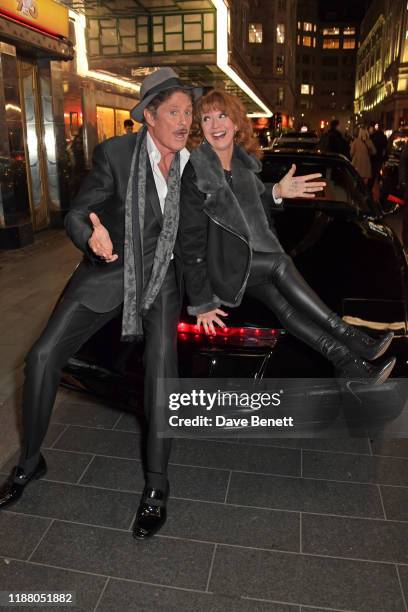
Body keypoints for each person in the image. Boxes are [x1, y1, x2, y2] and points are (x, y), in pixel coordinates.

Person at [0, 68, 201, 540]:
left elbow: (230, 206)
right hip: (108, 272)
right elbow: (76, 211)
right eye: (174, 111)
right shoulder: (116, 154)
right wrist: (90, 234)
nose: (184, 120)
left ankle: (156, 487)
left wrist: (275, 193)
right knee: (42, 358)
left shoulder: (197, 164)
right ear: (149, 116)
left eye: (188, 112)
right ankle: (30, 462)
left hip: (160, 284)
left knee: (160, 377)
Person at [179, 90, 395, 383]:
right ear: (199, 129)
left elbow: (247, 201)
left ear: (236, 123)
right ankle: (351, 336)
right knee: (280, 263)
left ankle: (350, 364)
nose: (215, 124)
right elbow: (189, 239)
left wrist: (277, 191)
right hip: (221, 266)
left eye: (222, 115)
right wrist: (202, 301)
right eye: (206, 118)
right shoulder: (197, 173)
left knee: (285, 309)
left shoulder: (241, 165)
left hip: (247, 256)